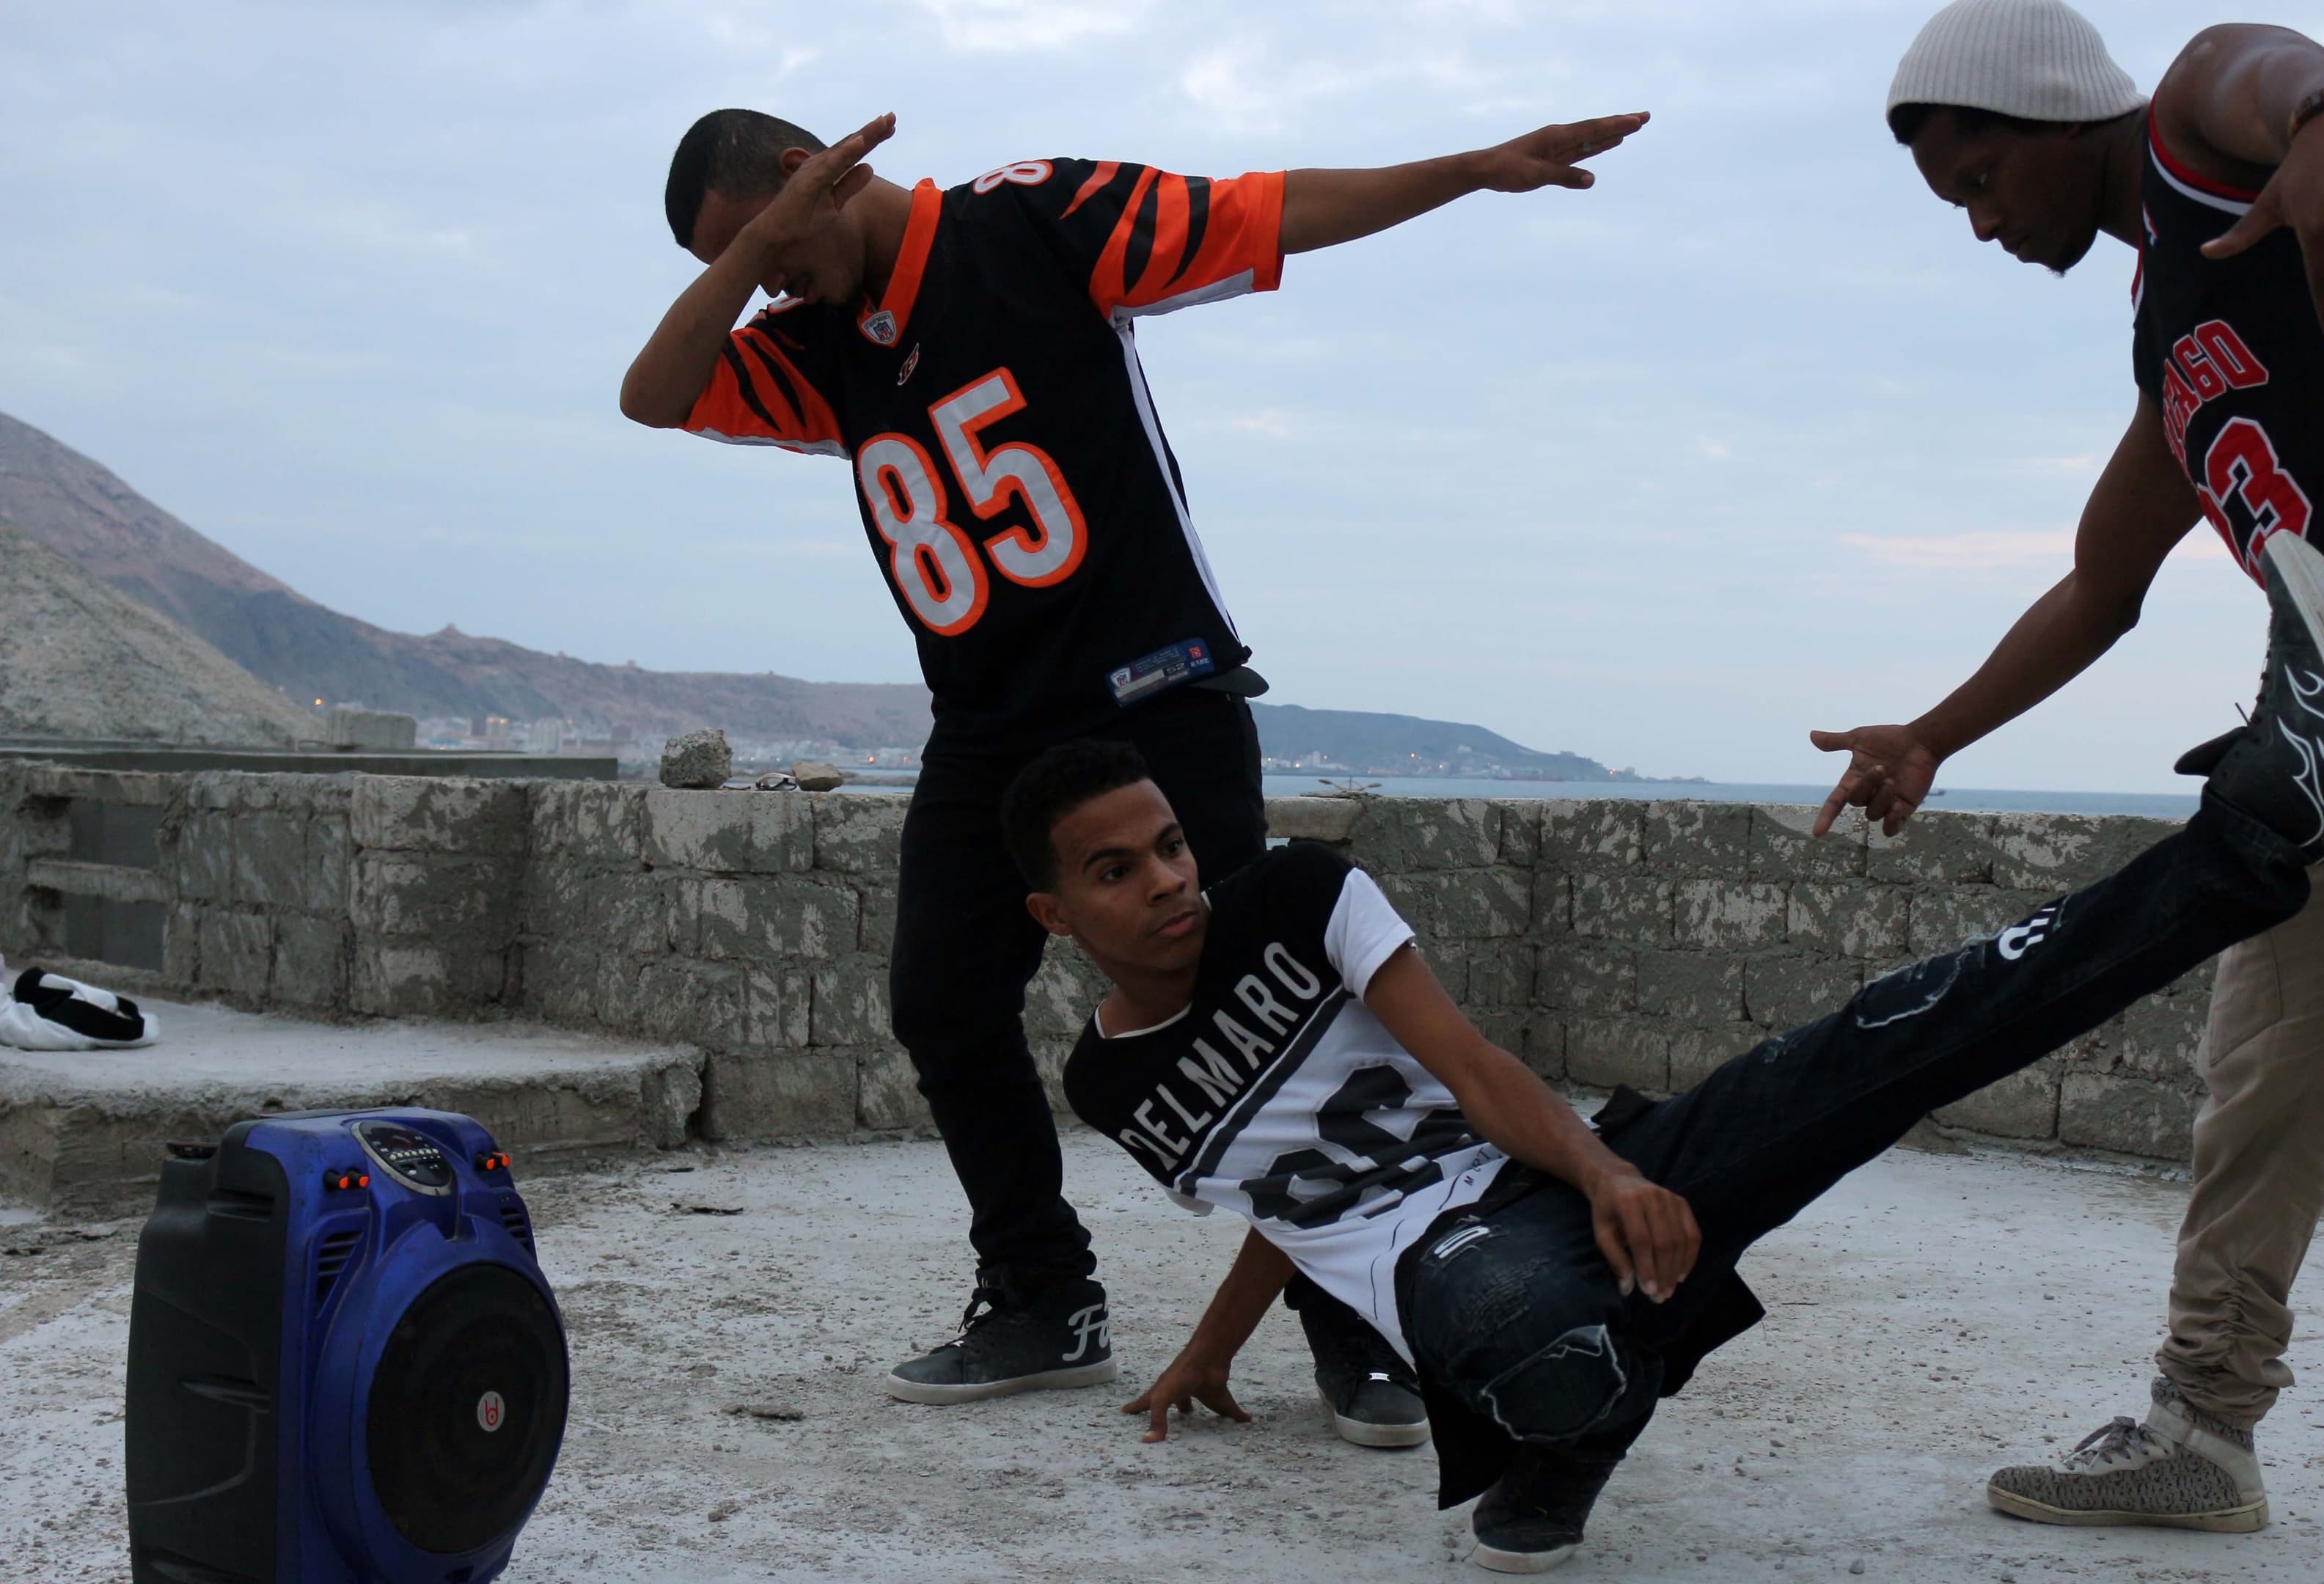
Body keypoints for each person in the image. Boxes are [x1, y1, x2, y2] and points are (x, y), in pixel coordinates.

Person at [1024, 532, 2324, 1574]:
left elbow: (1474, 1066)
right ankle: (1562, 1436)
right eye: (1115, 870)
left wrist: (1604, 1173)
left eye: (1169, 844)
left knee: (1902, 1035)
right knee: (1538, 1334)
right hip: (1454, 1281)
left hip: (1560, 1179)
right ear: (1057, 915)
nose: (1167, 880)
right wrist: (1208, 1351)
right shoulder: (1111, 1083)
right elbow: (1281, 1203)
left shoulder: (1298, 894)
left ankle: (2274, 807)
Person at [619, 104, 1649, 1437]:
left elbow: (1268, 211)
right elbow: (653, 394)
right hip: (988, 728)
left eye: (762, 244)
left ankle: (1357, 1321)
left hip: (1152, 688)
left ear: (812, 172)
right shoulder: (812, 343)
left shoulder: (1030, 220)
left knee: (1273, 1012)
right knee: (943, 1003)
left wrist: (1464, 169)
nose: (764, 281)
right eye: (739, 263)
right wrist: (763, 245)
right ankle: (1043, 1296)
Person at [1822, 1, 2324, 1577]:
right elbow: (2101, 583)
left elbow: (2243, 61)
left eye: (1984, 179)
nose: (1983, 223)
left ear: (2059, 115)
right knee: (2262, 1081)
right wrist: (1933, 733)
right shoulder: (2172, 326)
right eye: (1957, 204)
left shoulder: (2201, 146)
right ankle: (2201, 1434)